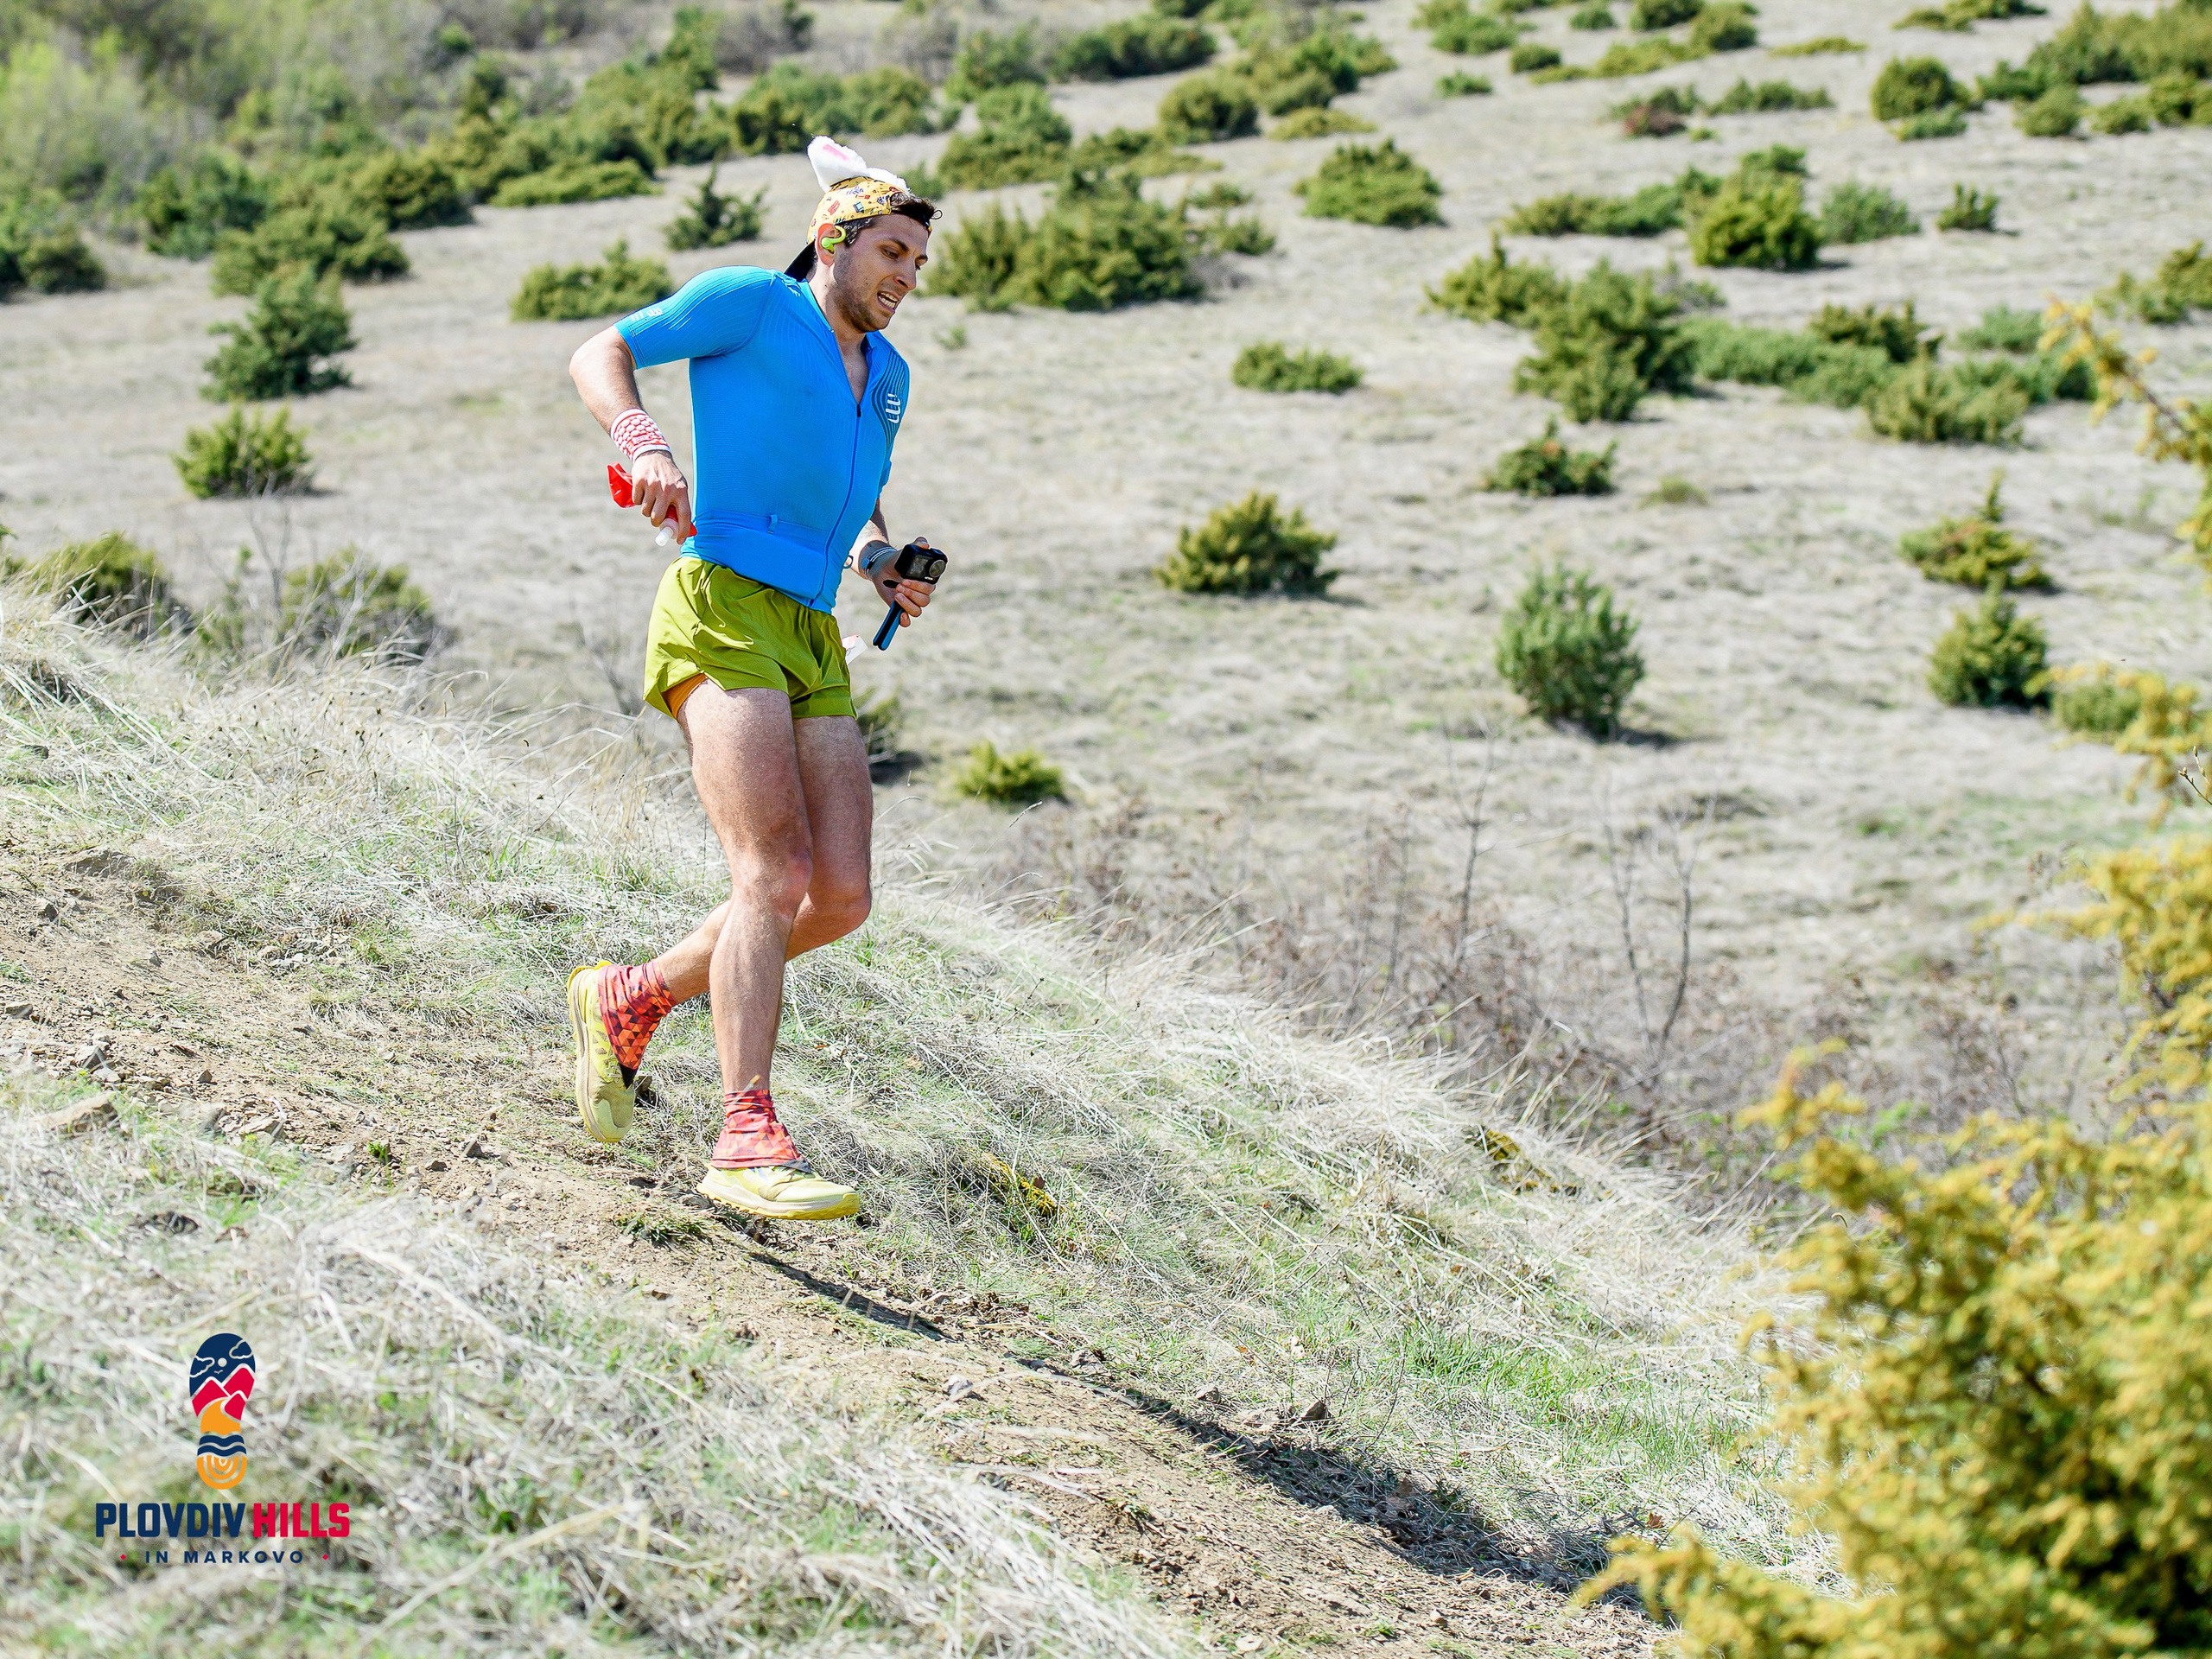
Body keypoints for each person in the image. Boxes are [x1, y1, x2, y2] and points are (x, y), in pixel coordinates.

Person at [563, 137, 941, 1222]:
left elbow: (846, 489)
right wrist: (643, 443)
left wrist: (878, 562)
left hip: (813, 630)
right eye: (892, 252)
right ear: (835, 238)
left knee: (842, 895)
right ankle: (744, 1135)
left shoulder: (891, 379)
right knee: (770, 875)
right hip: (720, 599)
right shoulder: (750, 304)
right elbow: (602, 350)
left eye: (916, 264)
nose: (906, 278)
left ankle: (629, 998)